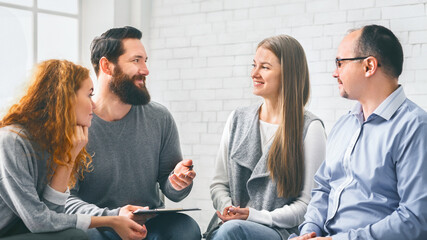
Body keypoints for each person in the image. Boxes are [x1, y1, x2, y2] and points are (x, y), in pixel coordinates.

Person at [290, 25, 427, 240]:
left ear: (369, 66)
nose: (335, 72)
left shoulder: (415, 127)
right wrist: (309, 232)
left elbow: (415, 218)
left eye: (340, 63)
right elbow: (324, 189)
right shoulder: (344, 125)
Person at [64, 26, 201, 240]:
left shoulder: (160, 117)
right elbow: (66, 200)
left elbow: (171, 188)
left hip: (148, 225)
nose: (145, 69)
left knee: (186, 228)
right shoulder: (73, 122)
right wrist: (114, 216)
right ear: (107, 66)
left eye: (145, 60)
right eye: (136, 60)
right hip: (99, 224)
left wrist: (177, 181)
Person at [0, 59, 147, 240]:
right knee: (75, 236)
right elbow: (39, 222)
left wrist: (69, 157)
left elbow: (53, 213)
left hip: (24, 232)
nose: (94, 105)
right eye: (89, 95)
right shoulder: (12, 141)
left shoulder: (53, 141)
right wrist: (111, 220)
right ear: (65, 98)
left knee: (73, 234)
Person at [207, 35, 327, 240]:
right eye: (254, 65)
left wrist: (253, 217)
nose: (254, 73)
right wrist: (229, 210)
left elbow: (308, 205)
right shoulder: (237, 119)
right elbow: (219, 184)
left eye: (265, 67)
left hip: (279, 231)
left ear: (288, 74)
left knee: (233, 231)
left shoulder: (310, 128)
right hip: (230, 227)